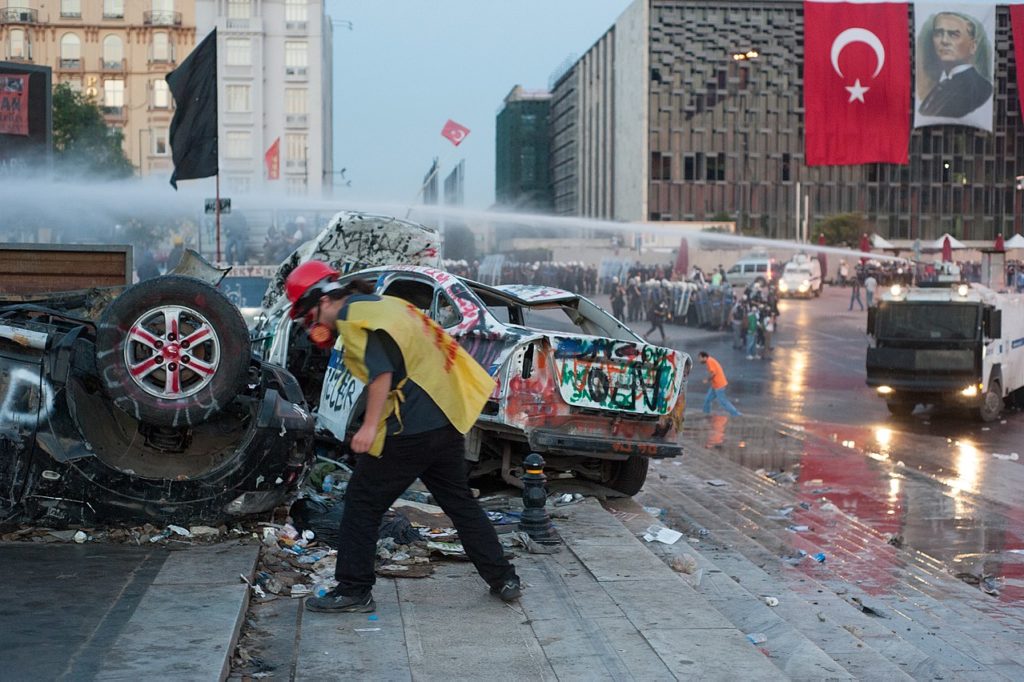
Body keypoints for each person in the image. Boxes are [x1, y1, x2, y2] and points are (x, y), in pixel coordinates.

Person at [285, 261, 521, 613]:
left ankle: (353, 589)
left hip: (409, 428)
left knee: (362, 503)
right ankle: (503, 577)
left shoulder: (355, 320)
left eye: (309, 316)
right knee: (460, 503)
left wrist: (368, 427)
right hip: (445, 417)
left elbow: (381, 374)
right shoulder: (386, 305)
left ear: (322, 300)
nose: (313, 327)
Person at [918, 12, 992, 118]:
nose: (944, 41)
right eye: (938, 33)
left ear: (973, 46)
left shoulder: (981, 88)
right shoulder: (942, 83)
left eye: (953, 35)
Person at [698, 351, 742, 416]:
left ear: (704, 357)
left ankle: (735, 413)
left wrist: (707, 380)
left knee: (723, 401)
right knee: (707, 399)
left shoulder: (709, 361)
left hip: (719, 385)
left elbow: (713, 373)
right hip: (715, 385)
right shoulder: (710, 360)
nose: (699, 360)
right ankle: (706, 413)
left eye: (700, 358)